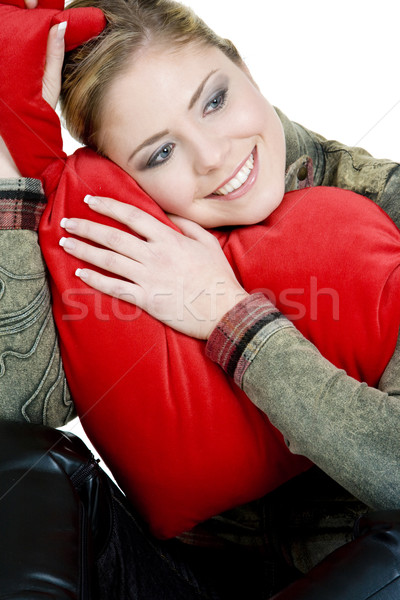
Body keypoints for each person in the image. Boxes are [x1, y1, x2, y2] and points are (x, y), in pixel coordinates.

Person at [1, 0, 400, 598]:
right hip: (185, 578)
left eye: (215, 100)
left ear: (243, 66)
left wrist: (226, 314)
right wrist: (14, 181)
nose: (214, 157)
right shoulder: (131, 234)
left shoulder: (379, 207)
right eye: (160, 153)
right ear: (127, 178)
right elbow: (16, 412)